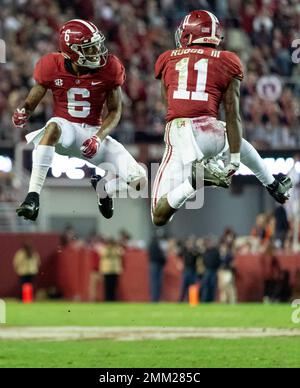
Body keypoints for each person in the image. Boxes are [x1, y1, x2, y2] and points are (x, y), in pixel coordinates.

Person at [151, 10, 292, 227]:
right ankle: (273, 184)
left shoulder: (167, 58)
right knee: (231, 137)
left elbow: (169, 105)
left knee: (159, 215)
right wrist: (234, 160)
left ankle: (194, 183)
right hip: (213, 131)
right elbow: (233, 113)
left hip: (182, 133)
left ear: (188, 35)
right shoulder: (228, 60)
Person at [12, 19, 146, 221]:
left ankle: (104, 189)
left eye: (96, 46)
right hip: (67, 131)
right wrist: (25, 110)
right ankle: (32, 197)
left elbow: (115, 110)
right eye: (89, 48)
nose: (97, 52)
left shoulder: (110, 68)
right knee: (53, 127)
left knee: (140, 181)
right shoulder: (51, 64)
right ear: (72, 51)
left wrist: (98, 138)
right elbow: (37, 92)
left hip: (93, 134)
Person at [148, 232, 167, 302]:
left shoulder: (152, 244)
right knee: (156, 283)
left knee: (155, 282)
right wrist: (164, 261)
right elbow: (161, 256)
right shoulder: (159, 245)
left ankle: (155, 299)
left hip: (153, 264)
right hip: (157, 264)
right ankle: (155, 299)